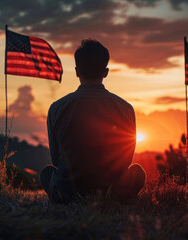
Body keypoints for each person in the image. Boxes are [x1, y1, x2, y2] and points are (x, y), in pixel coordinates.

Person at [40, 39, 146, 203]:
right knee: (137, 172)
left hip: (68, 194)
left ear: (76, 71)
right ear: (105, 72)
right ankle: (118, 197)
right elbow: (127, 161)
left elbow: (56, 160)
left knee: (48, 172)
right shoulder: (125, 108)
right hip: (112, 193)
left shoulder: (57, 108)